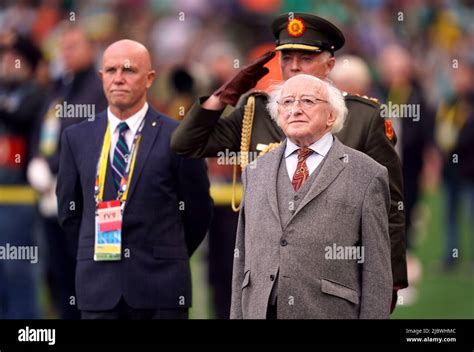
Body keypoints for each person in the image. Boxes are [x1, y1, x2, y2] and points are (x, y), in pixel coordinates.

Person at [171, 12, 406, 312]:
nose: (294, 66)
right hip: (266, 284)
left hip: (332, 281)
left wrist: (392, 280)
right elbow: (185, 143)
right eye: (287, 57)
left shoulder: (361, 117)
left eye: (305, 58)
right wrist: (224, 95)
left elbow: (391, 206)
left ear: (329, 64)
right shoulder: (256, 110)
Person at [56, 39, 213, 319]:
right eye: (111, 70)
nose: (118, 79)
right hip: (98, 291)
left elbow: (198, 212)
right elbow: (70, 214)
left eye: (128, 70)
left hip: (161, 290)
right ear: (102, 77)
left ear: (149, 78)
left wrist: (166, 254)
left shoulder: (178, 137)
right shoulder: (76, 138)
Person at [230, 75, 392, 319]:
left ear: (331, 116)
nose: (295, 109)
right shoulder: (255, 171)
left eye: (307, 101)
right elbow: (242, 258)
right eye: (287, 102)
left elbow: (377, 271)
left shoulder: (367, 174)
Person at [28, 24, 107, 319]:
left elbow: (89, 137)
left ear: (90, 50)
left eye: (74, 46)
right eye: (64, 47)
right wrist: (37, 160)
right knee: (58, 274)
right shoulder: (59, 87)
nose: (67, 52)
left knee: (85, 276)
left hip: (83, 200)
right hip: (49, 196)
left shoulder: (98, 89)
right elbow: (42, 128)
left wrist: (54, 168)